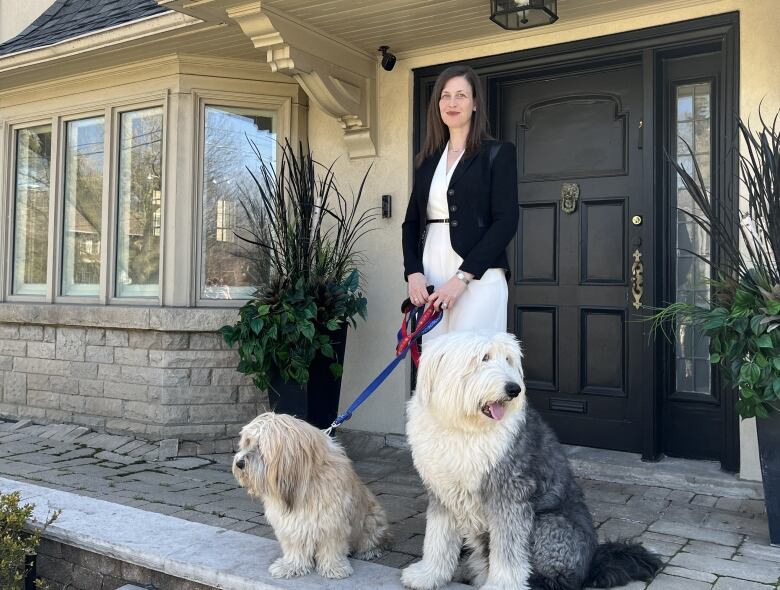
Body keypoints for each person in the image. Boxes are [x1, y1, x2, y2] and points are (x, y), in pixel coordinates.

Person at [402, 64, 519, 339]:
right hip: (431, 270)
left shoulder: (498, 153)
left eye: (461, 96)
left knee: (474, 363)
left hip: (479, 274)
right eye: (445, 96)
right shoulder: (427, 160)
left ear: (475, 103)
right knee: (436, 362)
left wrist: (463, 278)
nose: (452, 103)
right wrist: (413, 273)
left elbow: (506, 221)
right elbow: (411, 222)